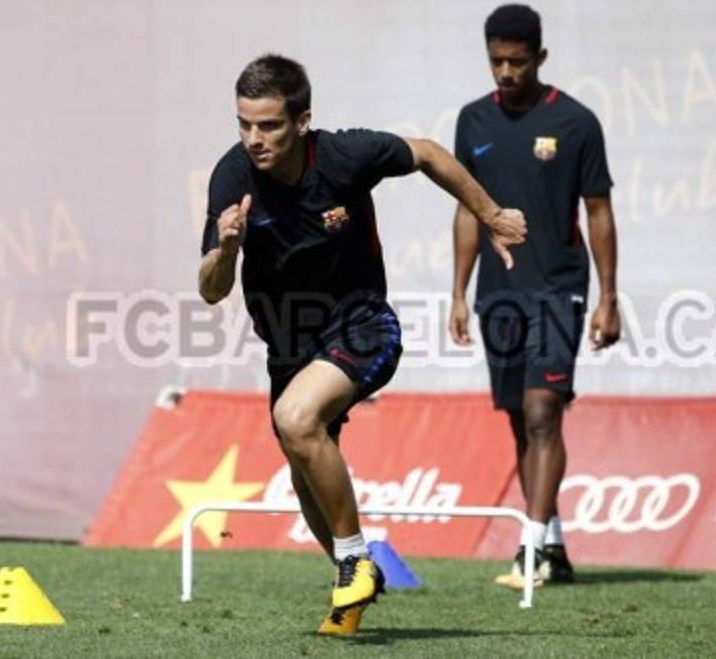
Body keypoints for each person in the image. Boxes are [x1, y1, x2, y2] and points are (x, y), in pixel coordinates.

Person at [199, 54, 526, 634]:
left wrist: (491, 213)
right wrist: (226, 248)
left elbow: (425, 152)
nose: (254, 139)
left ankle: (353, 559)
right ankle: (353, 587)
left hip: (362, 326)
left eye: (269, 125)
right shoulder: (232, 177)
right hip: (289, 345)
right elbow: (210, 290)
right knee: (303, 470)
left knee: (296, 420)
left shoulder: (345, 156)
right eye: (244, 124)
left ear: (301, 121)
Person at [449, 4, 619, 590]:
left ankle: (530, 551)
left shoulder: (576, 123)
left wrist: (609, 296)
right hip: (498, 297)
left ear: (540, 58)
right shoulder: (472, 122)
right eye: (495, 60)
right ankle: (553, 544)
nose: (504, 71)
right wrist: (458, 293)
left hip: (557, 292)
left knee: (545, 412)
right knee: (523, 423)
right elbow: (468, 211)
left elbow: (598, 212)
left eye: (516, 61)